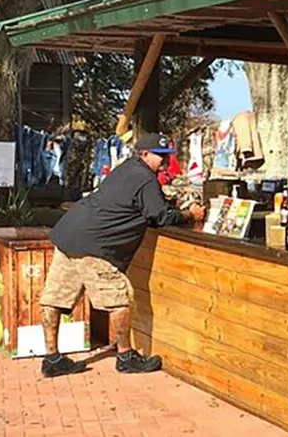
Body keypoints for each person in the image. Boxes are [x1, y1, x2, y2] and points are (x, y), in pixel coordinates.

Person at [38, 132, 205, 378]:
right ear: (144, 154)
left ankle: (52, 359)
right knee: (119, 299)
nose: (164, 161)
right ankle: (125, 357)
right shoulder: (146, 180)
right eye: (159, 156)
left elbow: (136, 203)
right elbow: (161, 218)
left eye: (166, 156)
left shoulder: (126, 168)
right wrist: (191, 214)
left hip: (68, 233)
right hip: (97, 245)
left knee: (54, 297)